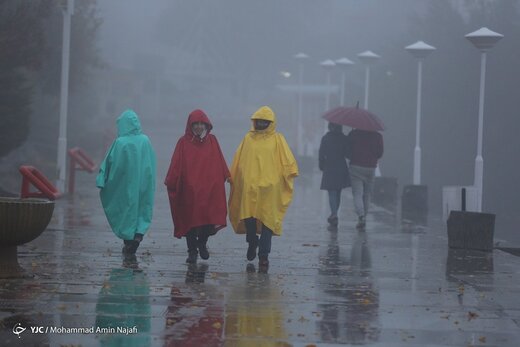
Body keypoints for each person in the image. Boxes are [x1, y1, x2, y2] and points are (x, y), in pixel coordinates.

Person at [228, 106, 298, 270]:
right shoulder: (248, 139)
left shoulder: (278, 139)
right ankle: (252, 242)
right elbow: (239, 160)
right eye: (259, 121)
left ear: (270, 122)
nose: (261, 124)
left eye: (264, 121)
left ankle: (264, 255)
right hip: (250, 186)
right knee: (249, 218)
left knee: (267, 221)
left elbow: (286, 159)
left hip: (270, 188)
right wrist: (233, 176)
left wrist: (290, 171)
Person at [165, 109, 230, 264]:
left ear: (206, 125)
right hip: (189, 189)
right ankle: (192, 251)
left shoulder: (212, 141)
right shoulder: (183, 142)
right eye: (196, 124)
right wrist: (172, 181)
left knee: (208, 219)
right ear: (191, 125)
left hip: (209, 188)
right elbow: (176, 164)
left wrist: (225, 176)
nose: (199, 127)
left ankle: (202, 243)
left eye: (202, 124)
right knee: (190, 221)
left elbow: (219, 161)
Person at [96, 109, 157, 255]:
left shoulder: (120, 142)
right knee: (142, 208)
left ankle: (129, 241)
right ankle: (138, 235)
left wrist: (102, 180)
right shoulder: (145, 141)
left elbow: (108, 163)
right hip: (144, 182)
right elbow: (152, 162)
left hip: (124, 184)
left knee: (125, 209)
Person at [346, 128, 383, 229]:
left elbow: (347, 150)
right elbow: (380, 153)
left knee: (358, 193)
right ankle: (363, 218)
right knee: (367, 194)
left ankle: (361, 216)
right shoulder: (378, 136)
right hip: (371, 167)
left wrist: (352, 157)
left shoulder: (353, 134)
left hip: (356, 167)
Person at [319, 122, 351, 230]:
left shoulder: (326, 138)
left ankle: (334, 214)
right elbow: (348, 154)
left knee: (332, 192)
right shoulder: (344, 138)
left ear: (330, 127)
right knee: (338, 192)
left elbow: (321, 153)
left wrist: (321, 166)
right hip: (341, 167)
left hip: (330, 167)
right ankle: (334, 213)